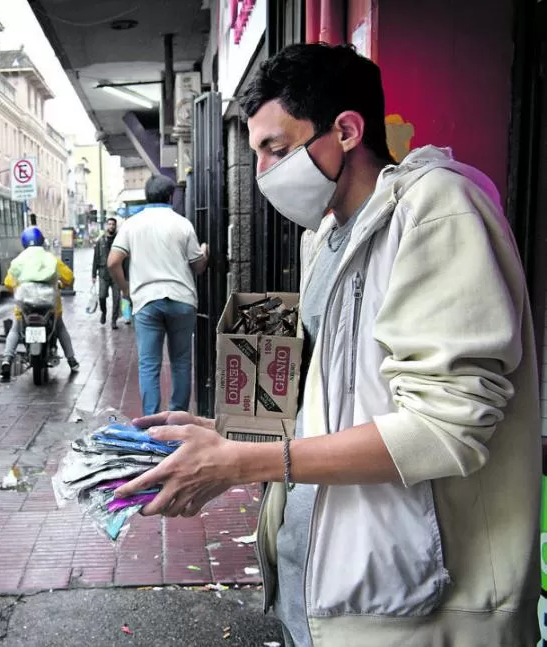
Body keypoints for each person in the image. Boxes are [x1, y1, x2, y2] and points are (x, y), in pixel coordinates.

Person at [113, 43, 540, 647]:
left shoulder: (439, 209)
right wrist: (223, 433)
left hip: (418, 606)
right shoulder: (328, 238)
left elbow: (447, 428)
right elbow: (336, 405)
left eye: (277, 149)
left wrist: (241, 462)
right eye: (256, 153)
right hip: (319, 580)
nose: (263, 173)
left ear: (345, 130)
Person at [107, 175, 209, 416]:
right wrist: (204, 253)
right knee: (181, 362)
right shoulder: (182, 224)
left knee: (149, 365)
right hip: (181, 300)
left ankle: (151, 422)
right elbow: (198, 267)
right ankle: (178, 419)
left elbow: (113, 262)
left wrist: (126, 290)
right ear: (171, 196)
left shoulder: (131, 224)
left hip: (146, 301)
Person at [0, 226, 79, 380]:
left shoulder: (19, 259)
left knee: (16, 330)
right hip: (50, 305)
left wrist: (19, 286)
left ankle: (6, 361)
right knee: (60, 328)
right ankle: (72, 361)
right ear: (42, 241)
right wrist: (60, 283)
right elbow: (69, 278)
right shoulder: (51, 258)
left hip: (25, 306)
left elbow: (8, 282)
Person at [92, 217, 120, 329]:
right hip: (103, 274)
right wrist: (93, 274)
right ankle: (103, 312)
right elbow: (95, 258)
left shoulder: (119, 240)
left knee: (116, 298)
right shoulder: (100, 241)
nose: (111, 226)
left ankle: (114, 320)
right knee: (102, 296)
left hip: (117, 274)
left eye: (113, 224)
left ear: (115, 226)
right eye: (109, 224)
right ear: (106, 226)